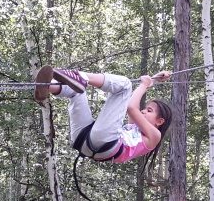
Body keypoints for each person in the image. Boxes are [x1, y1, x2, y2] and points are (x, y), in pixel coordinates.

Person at [34, 65, 172, 167]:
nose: (142, 112)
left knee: (125, 85)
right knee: (77, 91)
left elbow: (131, 106)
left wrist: (144, 85)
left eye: (149, 110)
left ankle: (82, 76)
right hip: (84, 140)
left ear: (159, 121)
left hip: (107, 143)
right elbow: (134, 101)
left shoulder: (154, 137)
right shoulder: (134, 128)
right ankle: (47, 87)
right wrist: (153, 80)